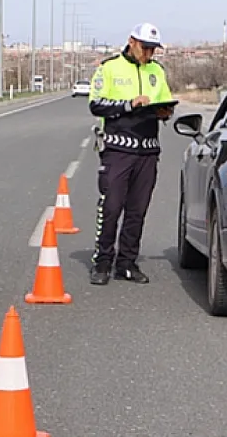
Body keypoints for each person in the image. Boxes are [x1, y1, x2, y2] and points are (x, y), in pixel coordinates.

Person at [87, 22, 175, 286]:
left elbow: (166, 100)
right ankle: (102, 262)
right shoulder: (109, 68)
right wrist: (128, 105)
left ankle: (127, 263)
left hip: (148, 151)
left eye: (153, 50)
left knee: (137, 211)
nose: (149, 54)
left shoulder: (157, 71)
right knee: (111, 207)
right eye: (145, 49)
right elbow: (96, 104)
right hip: (117, 150)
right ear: (132, 42)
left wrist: (165, 112)